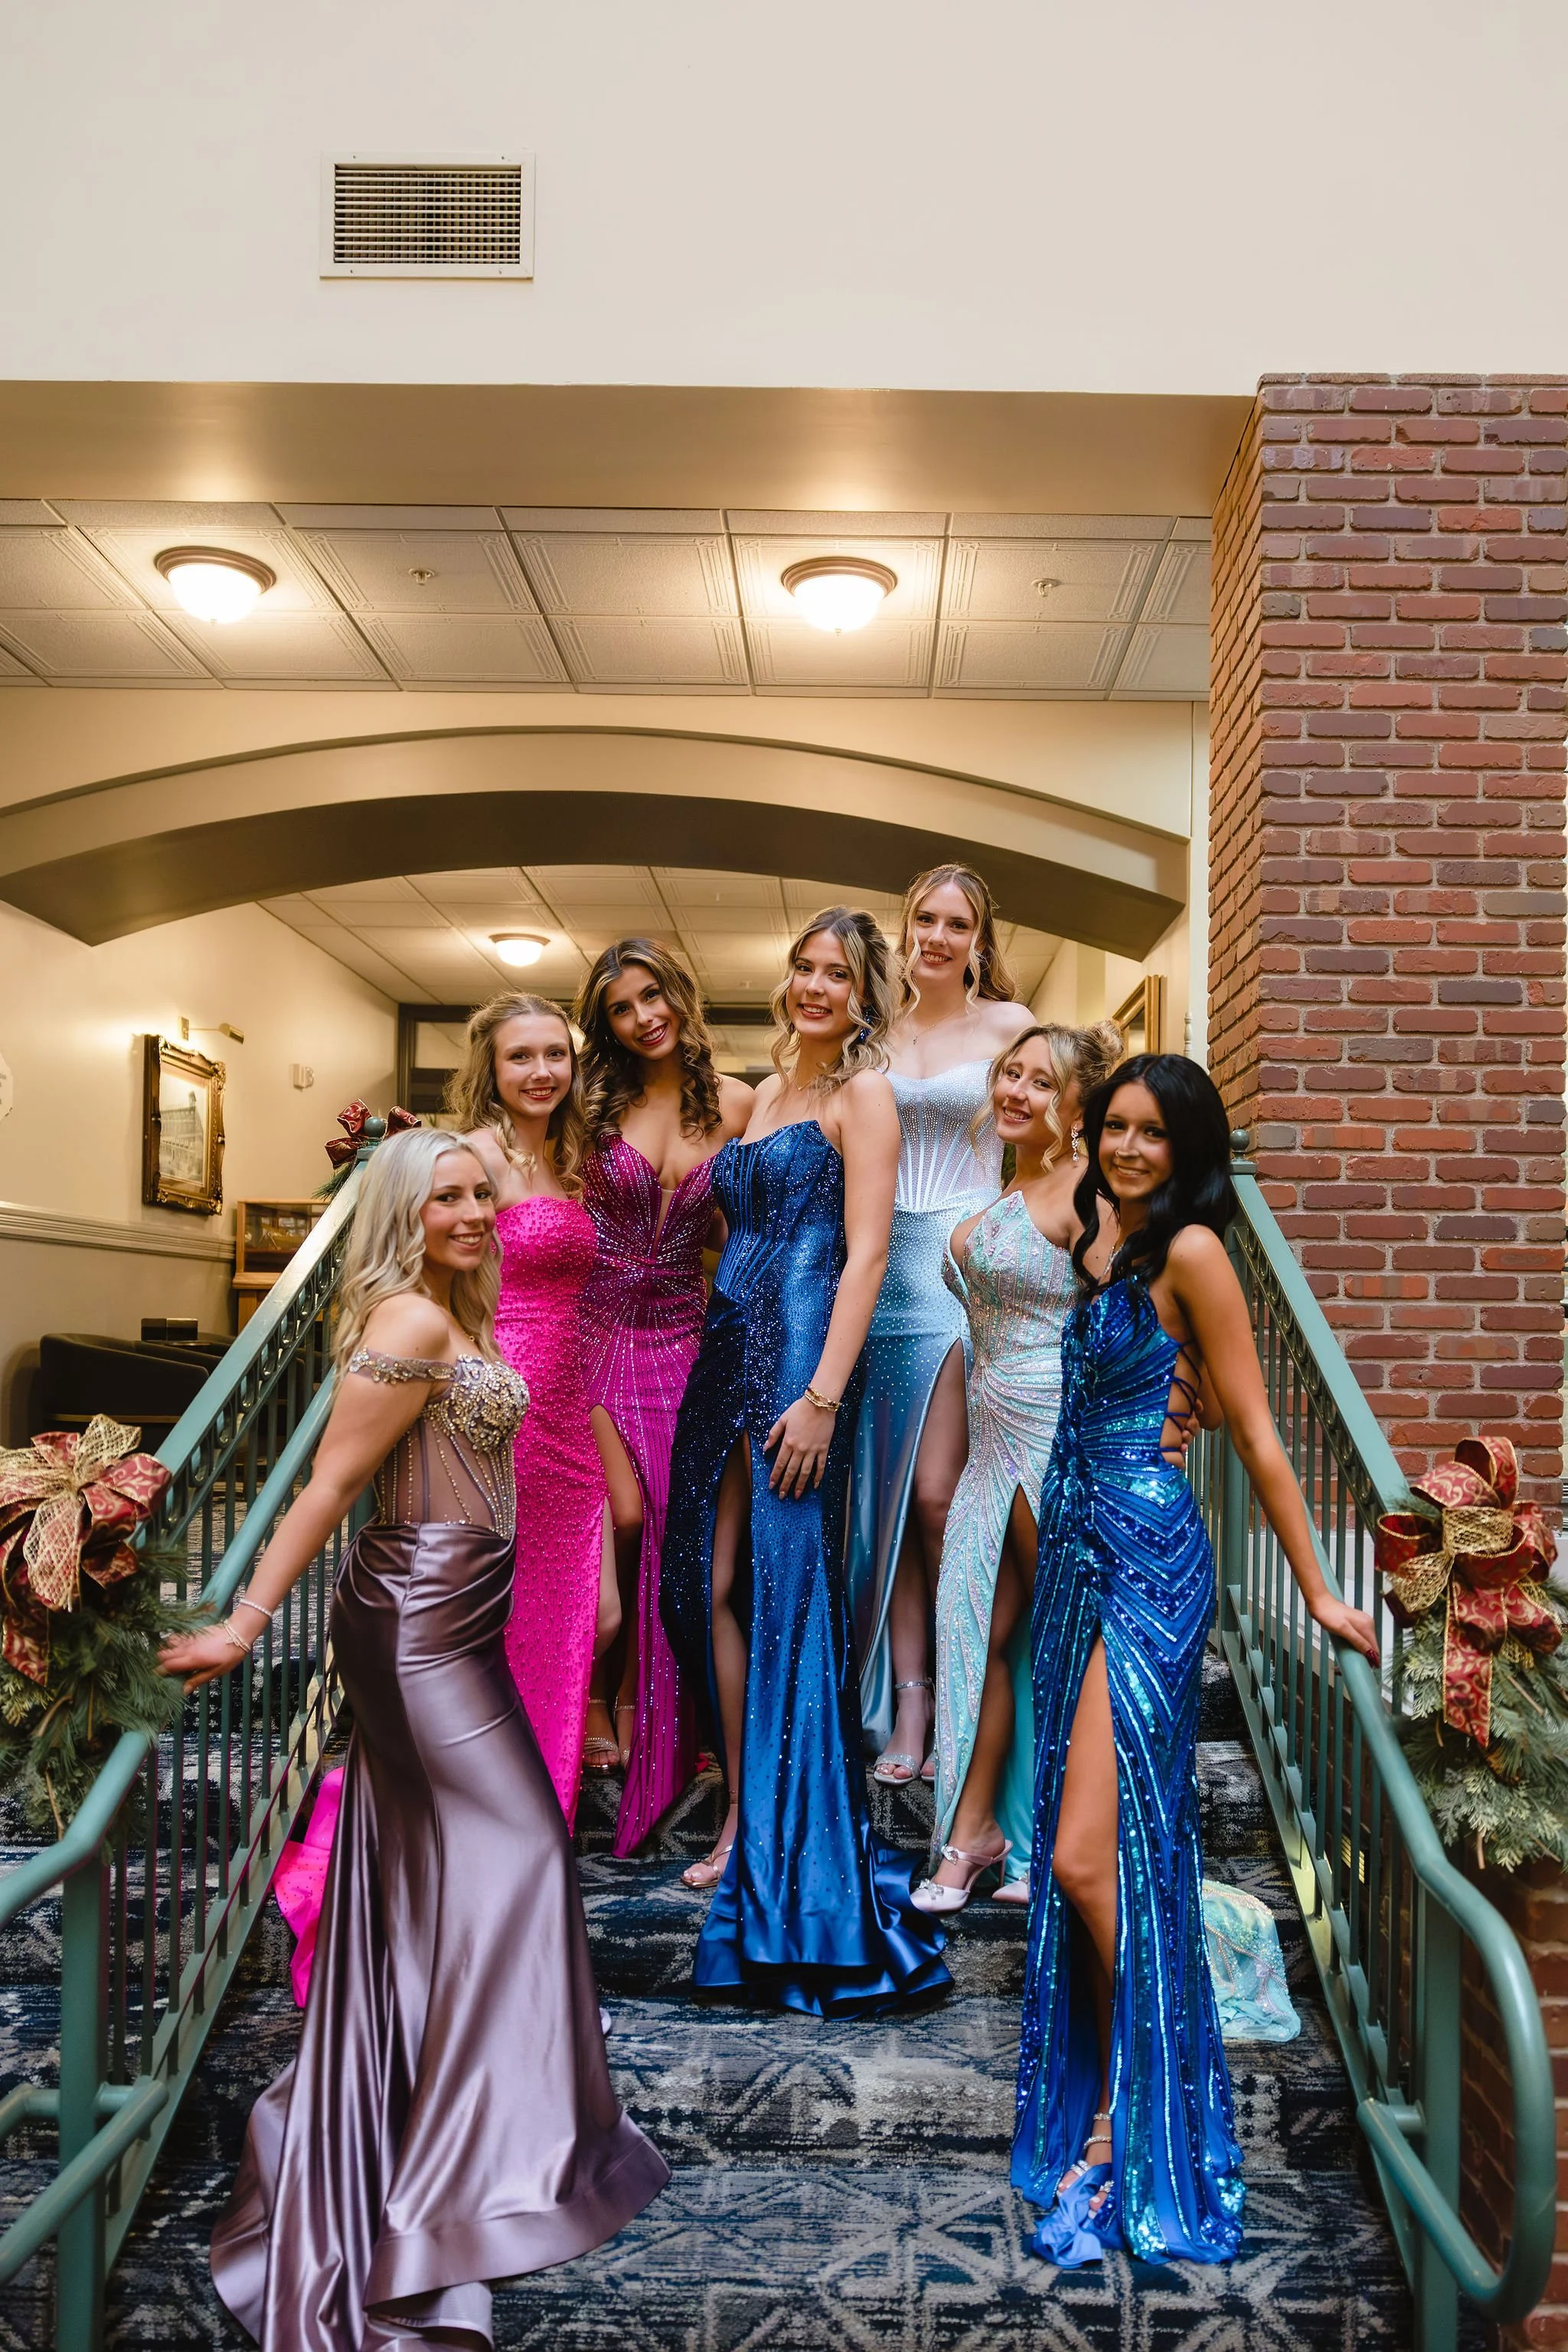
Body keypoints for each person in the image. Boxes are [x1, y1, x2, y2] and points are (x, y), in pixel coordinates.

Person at [160, 1126, 667, 2349]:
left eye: (482, 1193)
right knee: (525, 1857)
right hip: (413, 1623)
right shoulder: (407, 1322)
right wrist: (244, 1621)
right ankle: (468, 2161)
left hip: (465, 1613)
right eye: (446, 1198)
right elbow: (332, 1486)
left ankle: (446, 2128)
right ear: (404, 1212)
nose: (475, 1212)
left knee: (430, 1882)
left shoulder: (462, 1312)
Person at [1014, 1054, 1378, 2268]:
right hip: (1070, 1553)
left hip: (1150, 1563)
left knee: (1085, 1857)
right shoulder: (1099, 1247)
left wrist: (1323, 1587)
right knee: (1093, 1851)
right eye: (1112, 1127)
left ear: (1190, 1150)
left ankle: (1146, 2100)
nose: (1125, 1149)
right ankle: (1126, 2096)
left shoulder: (1198, 1254)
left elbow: (1261, 1431)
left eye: (1151, 1135)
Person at [660, 906, 950, 2014]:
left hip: (800, 1363)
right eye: (804, 968)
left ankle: (769, 1837)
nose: (816, 985)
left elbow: (869, 1252)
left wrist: (825, 1397)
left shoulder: (860, 1096)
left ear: (865, 992)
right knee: (702, 1583)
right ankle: (746, 1795)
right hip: (725, 1345)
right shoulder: (762, 1094)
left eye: (838, 973)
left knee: (784, 1598)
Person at [912, 1021, 1121, 1914]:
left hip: (1050, 1431)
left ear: (1076, 1109)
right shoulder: (1011, 1184)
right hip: (991, 1436)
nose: (1015, 1091)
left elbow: (1122, 1321)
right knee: (980, 1636)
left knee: (1063, 1647)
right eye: (1009, 1073)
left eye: (1039, 1082)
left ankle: (1053, 1839)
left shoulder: (1090, 1192)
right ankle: (974, 1833)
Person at [843, 864, 1031, 1788]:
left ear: (979, 939)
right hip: (880, 1284)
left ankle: (964, 1692)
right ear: (904, 927)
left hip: (965, 1275)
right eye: (923, 919)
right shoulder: (870, 1039)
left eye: (956, 923)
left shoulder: (1008, 1028)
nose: (937, 937)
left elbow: (1053, 1129)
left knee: (937, 1499)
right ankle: (907, 1700)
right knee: (888, 1508)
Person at [574, 938, 753, 1852]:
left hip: (688, 1337)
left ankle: (670, 1719)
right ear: (602, 1025)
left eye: (653, 996)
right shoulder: (589, 1104)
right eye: (620, 1007)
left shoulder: (738, 1104)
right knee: (626, 1515)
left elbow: (751, 1222)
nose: (644, 1016)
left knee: (685, 1539)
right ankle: (600, 1695)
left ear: (680, 995)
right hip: (597, 1332)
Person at [452, 993, 609, 1824]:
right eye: (521, 1056)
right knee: (502, 1607)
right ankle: (498, 1809)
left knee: (581, 1609)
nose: (542, 1071)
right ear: (491, 1068)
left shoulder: (571, 1159)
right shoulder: (472, 1157)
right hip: (500, 1408)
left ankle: (537, 1796)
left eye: (556, 1054)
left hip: (570, 1406)